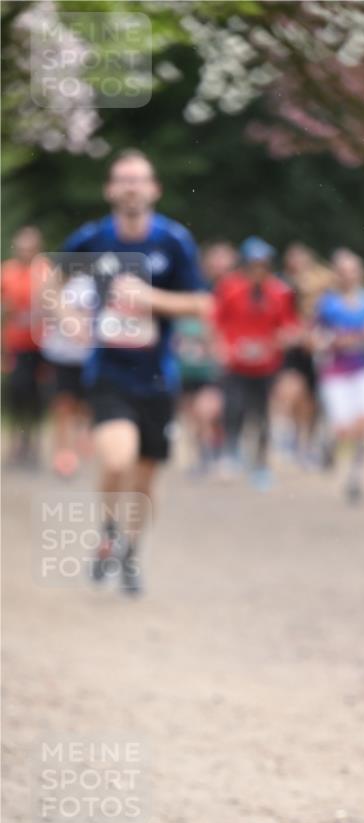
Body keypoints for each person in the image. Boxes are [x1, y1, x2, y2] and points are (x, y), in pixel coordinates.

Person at [59, 148, 210, 593]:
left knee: (145, 477)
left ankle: (129, 550)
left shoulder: (174, 241)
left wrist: (151, 299)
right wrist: (70, 319)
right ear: (110, 189)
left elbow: (201, 302)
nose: (130, 186)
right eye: (122, 179)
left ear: (154, 189)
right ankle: (108, 531)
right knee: (117, 456)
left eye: (139, 179)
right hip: (108, 370)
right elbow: (52, 285)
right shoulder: (90, 238)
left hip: (158, 375)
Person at [213, 236, 299, 490]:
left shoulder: (280, 291)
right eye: (254, 264)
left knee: (262, 415)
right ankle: (230, 453)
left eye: (263, 264)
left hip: (266, 364)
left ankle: (260, 464)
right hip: (235, 364)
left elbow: (288, 324)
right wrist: (223, 348)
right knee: (234, 407)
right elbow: (217, 321)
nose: (258, 269)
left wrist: (284, 338)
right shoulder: (229, 288)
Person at [315, 248, 364, 503]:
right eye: (343, 271)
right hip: (336, 373)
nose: (348, 276)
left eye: (352, 271)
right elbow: (315, 338)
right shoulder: (327, 304)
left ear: (360, 274)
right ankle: (330, 443)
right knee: (343, 429)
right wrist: (333, 341)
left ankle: (355, 476)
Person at [174, 244, 235, 475]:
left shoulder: (234, 291)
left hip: (214, 363)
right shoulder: (191, 286)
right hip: (187, 362)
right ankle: (202, 455)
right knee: (193, 414)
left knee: (208, 410)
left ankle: (218, 452)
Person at [273, 242, 333, 464]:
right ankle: (287, 435)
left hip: (317, 351)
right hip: (295, 350)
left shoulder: (323, 289)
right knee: (291, 389)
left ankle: (305, 444)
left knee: (310, 401)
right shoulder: (283, 289)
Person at [1, 226, 50, 466]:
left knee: (37, 396)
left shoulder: (46, 271)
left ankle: (34, 444)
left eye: (29, 248)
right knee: (17, 394)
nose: (25, 252)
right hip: (16, 345)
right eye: (21, 247)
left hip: (41, 347)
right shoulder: (6, 272)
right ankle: (16, 443)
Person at [40, 271, 94, 478]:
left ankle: (83, 437)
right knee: (62, 405)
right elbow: (47, 308)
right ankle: (63, 453)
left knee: (85, 407)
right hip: (62, 356)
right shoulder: (58, 283)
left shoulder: (98, 282)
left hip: (89, 357)